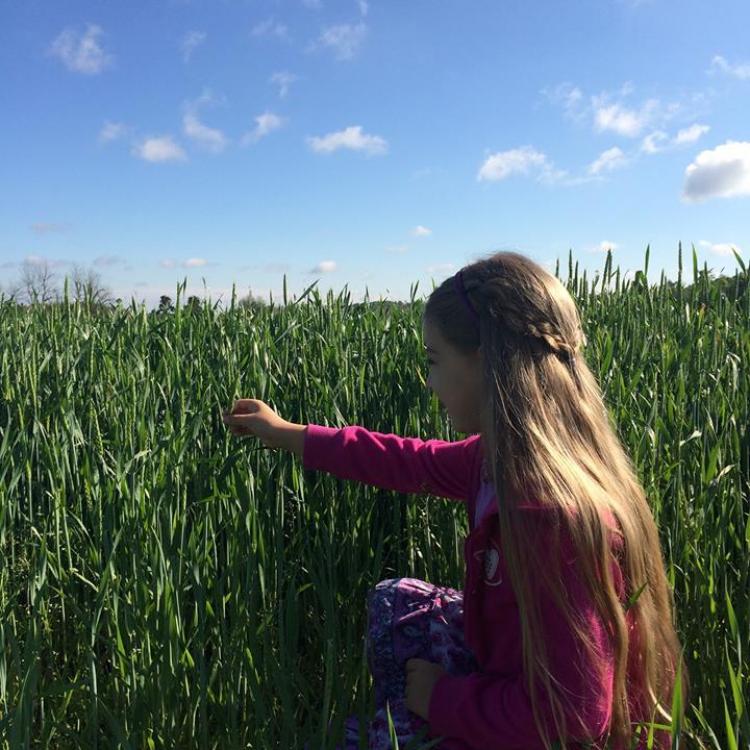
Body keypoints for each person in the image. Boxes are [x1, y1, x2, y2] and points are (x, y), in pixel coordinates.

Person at [221, 251, 689, 750]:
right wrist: (287, 433)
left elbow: (574, 714)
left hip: (557, 730)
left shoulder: (549, 517)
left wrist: (441, 700)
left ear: (487, 365)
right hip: (522, 677)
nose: (429, 383)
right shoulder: (501, 460)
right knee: (395, 602)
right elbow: (407, 460)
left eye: (434, 360)